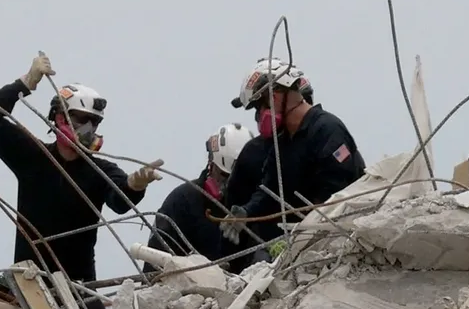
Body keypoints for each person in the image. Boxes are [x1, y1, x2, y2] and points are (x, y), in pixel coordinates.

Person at [0, 53, 164, 309]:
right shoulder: (33, 156)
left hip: (79, 289)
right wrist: (25, 83)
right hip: (32, 286)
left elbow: (121, 199)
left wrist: (136, 184)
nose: (87, 129)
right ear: (59, 119)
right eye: (80, 119)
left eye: (94, 123)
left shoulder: (99, 170)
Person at [221, 59, 366, 247]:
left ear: (274, 97)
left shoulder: (327, 130)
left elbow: (335, 197)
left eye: (259, 107)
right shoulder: (283, 141)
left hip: (340, 238)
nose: (259, 115)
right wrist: (245, 213)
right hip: (301, 242)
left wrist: (302, 236)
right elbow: (270, 190)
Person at [225, 61, 315, 268]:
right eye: (259, 107)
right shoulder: (253, 154)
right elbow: (240, 205)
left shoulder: (324, 136)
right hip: (262, 260)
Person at [144, 122, 254, 268]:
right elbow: (155, 263)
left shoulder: (256, 205)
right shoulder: (182, 201)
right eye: (225, 175)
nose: (231, 184)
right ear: (211, 163)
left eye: (239, 177)